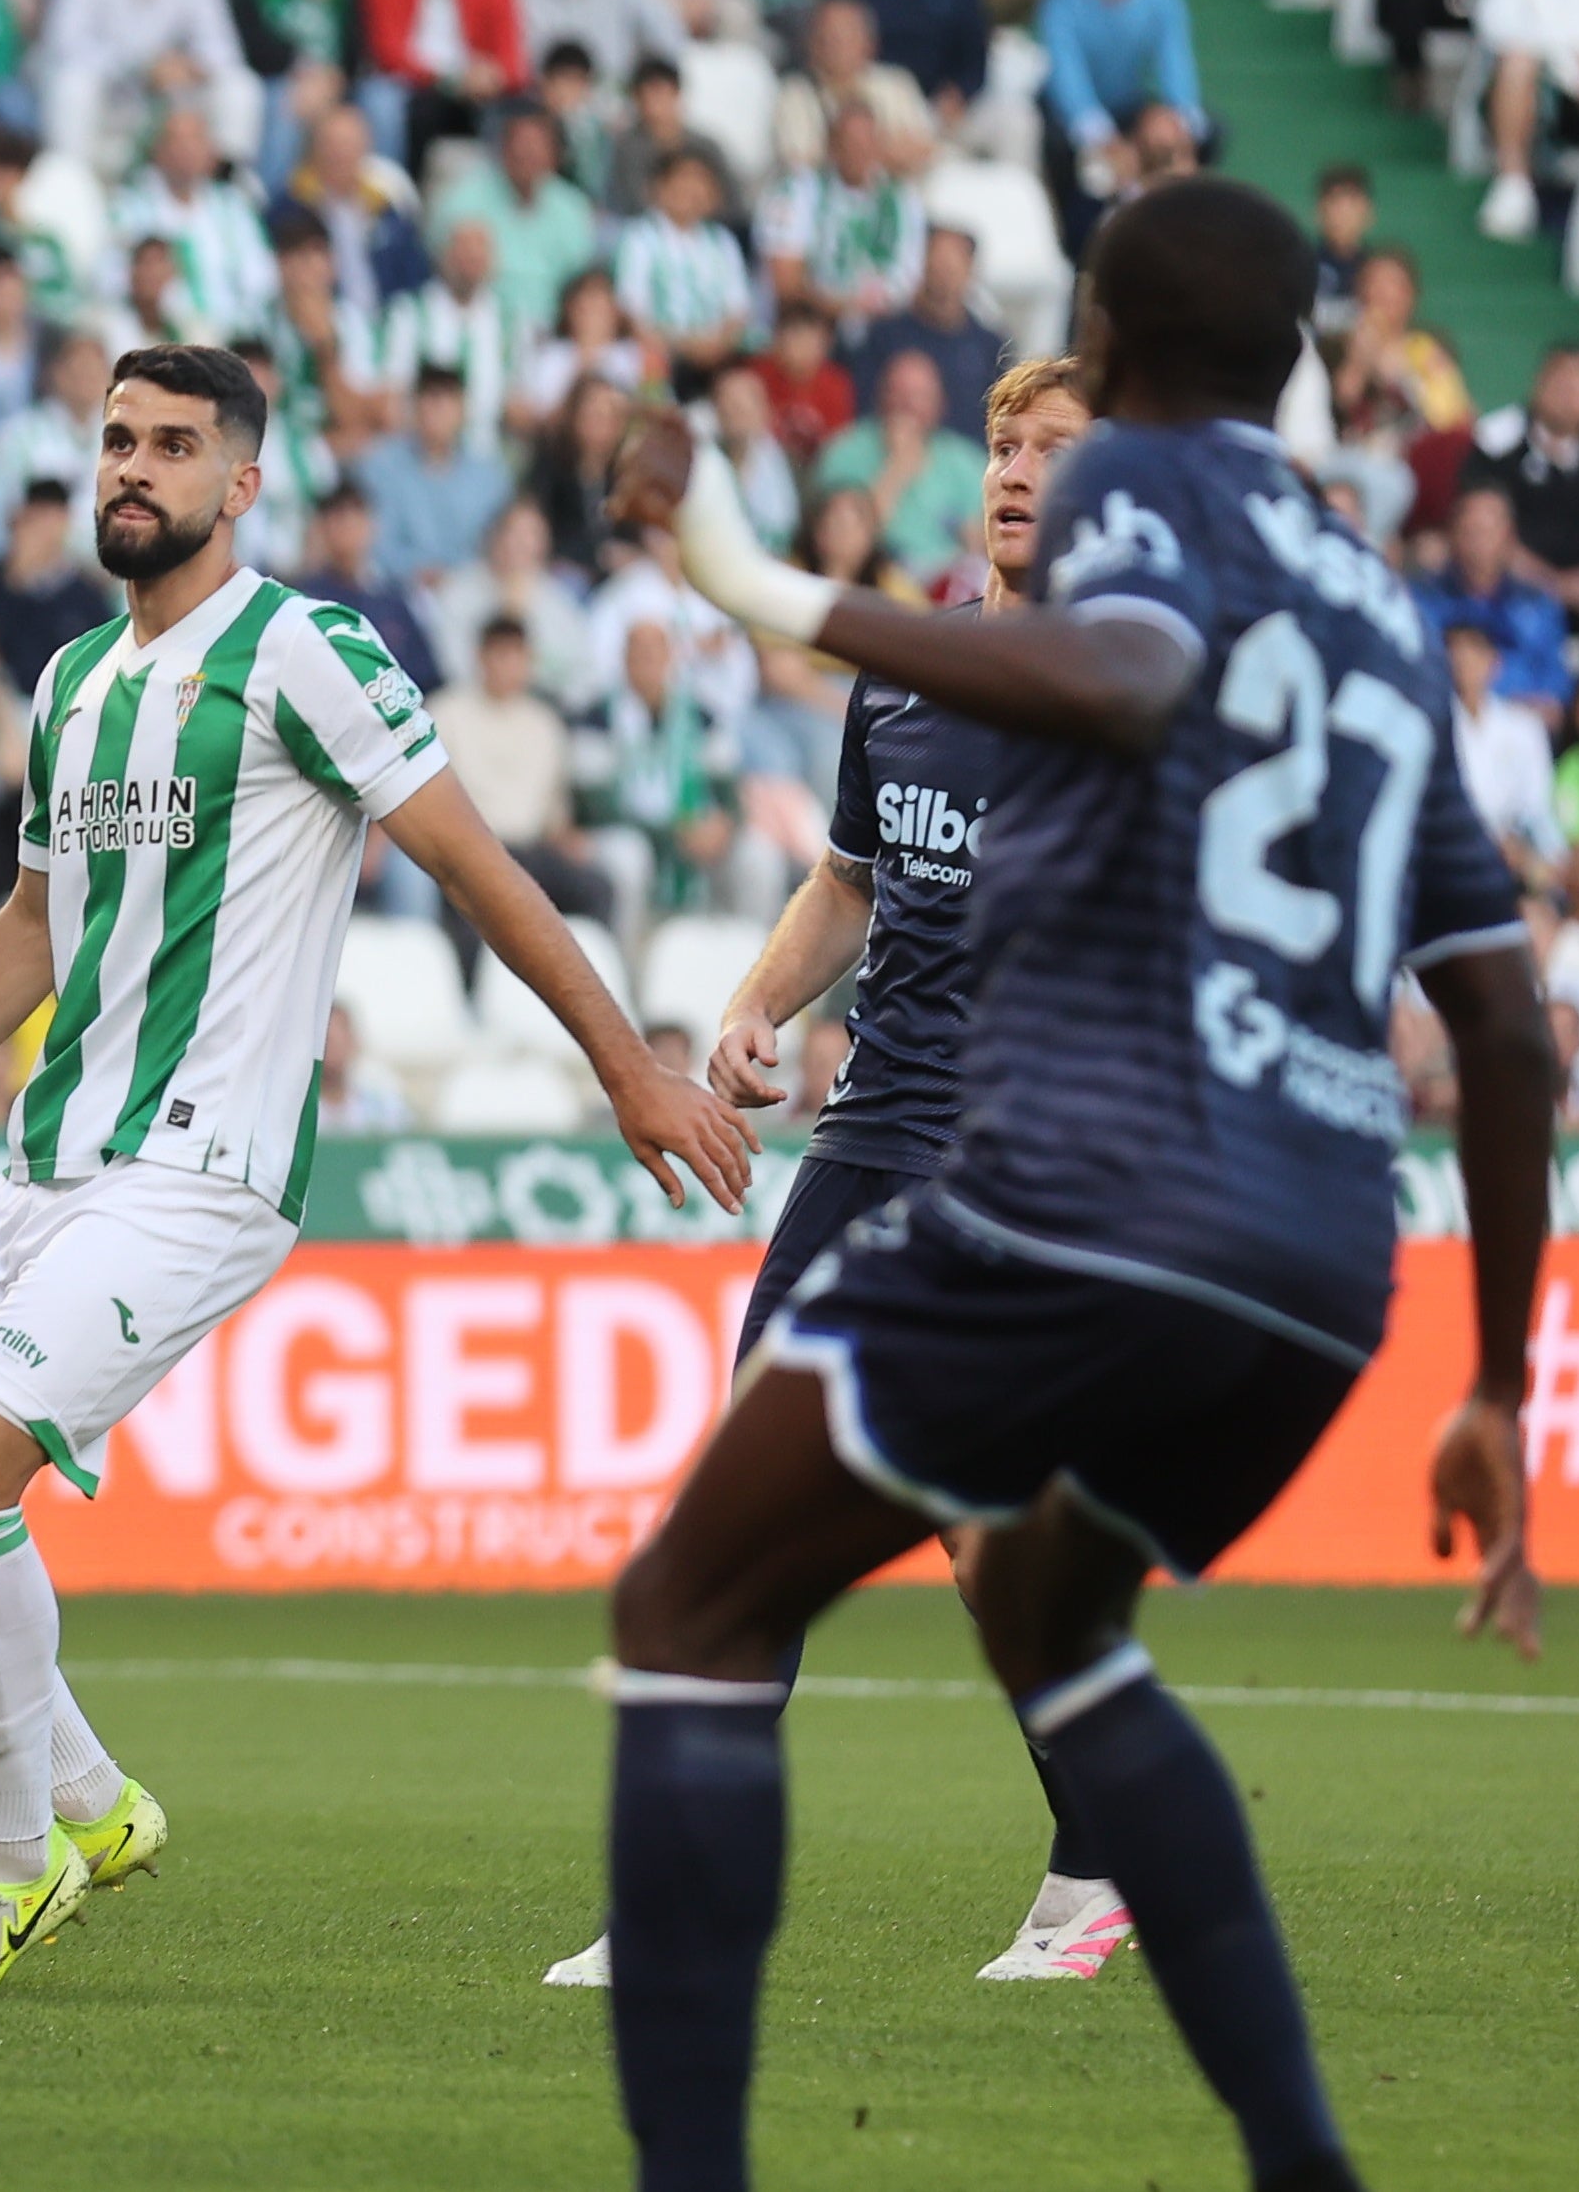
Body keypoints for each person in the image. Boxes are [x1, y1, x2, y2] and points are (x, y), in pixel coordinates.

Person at [609, 179, 1554, 2192]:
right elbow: (1502, 1020)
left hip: (1084, 1184)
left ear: (1112, 353)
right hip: (1319, 1256)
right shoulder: (1374, 606)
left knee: (689, 1594)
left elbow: (1118, 675)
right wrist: (1498, 1378)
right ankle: (1296, 2156)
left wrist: (746, 575)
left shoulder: (1132, 490)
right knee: (1050, 1615)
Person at [0, 341, 757, 2001]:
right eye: (115, 440)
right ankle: (86, 1795)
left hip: (202, 1166)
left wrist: (623, 1065)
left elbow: (474, 865)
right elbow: (33, 922)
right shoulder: (71, 681)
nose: (132, 470)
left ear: (240, 481)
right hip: (48, 1155)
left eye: (171, 446)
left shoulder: (305, 653)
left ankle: (8, 1857)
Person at [540, 357, 1117, 1997]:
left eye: (1055, 449)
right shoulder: (904, 676)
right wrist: (751, 1006)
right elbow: (849, 880)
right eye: (1001, 443)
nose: (1015, 471)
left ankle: (1097, 1861)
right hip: (866, 1137)